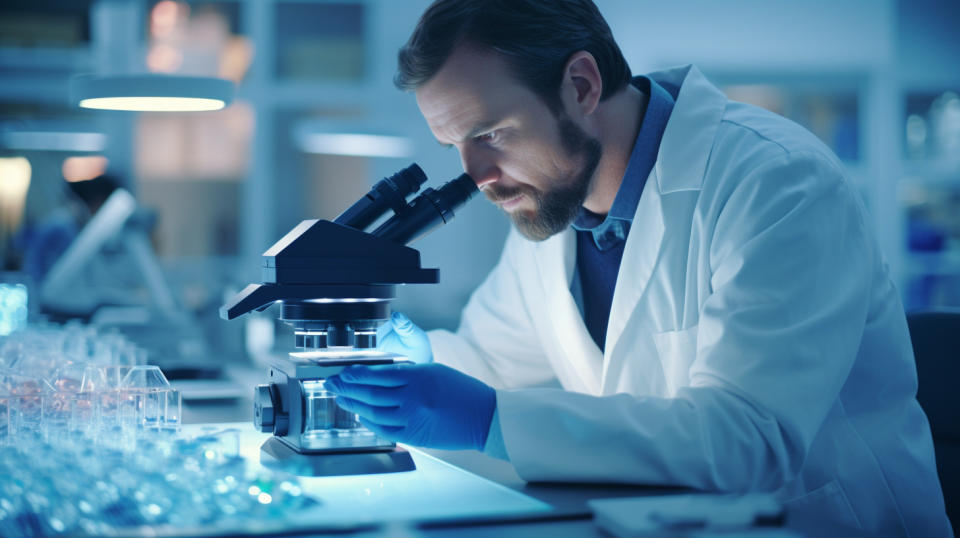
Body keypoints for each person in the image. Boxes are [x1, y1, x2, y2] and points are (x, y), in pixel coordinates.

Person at [323, 1, 952, 535]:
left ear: (582, 86)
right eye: (454, 146)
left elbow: (749, 439)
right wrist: (414, 362)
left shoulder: (777, 182)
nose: (476, 175)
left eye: (491, 132)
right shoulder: (551, 212)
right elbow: (492, 364)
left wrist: (483, 417)